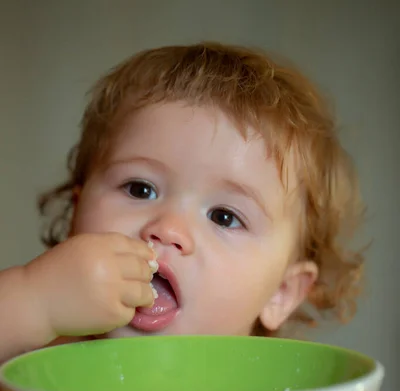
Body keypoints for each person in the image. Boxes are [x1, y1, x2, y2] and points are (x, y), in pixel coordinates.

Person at [0, 42, 364, 365]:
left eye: (224, 216)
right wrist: (31, 303)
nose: (168, 228)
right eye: (140, 189)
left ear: (281, 293)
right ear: (75, 214)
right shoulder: (39, 350)